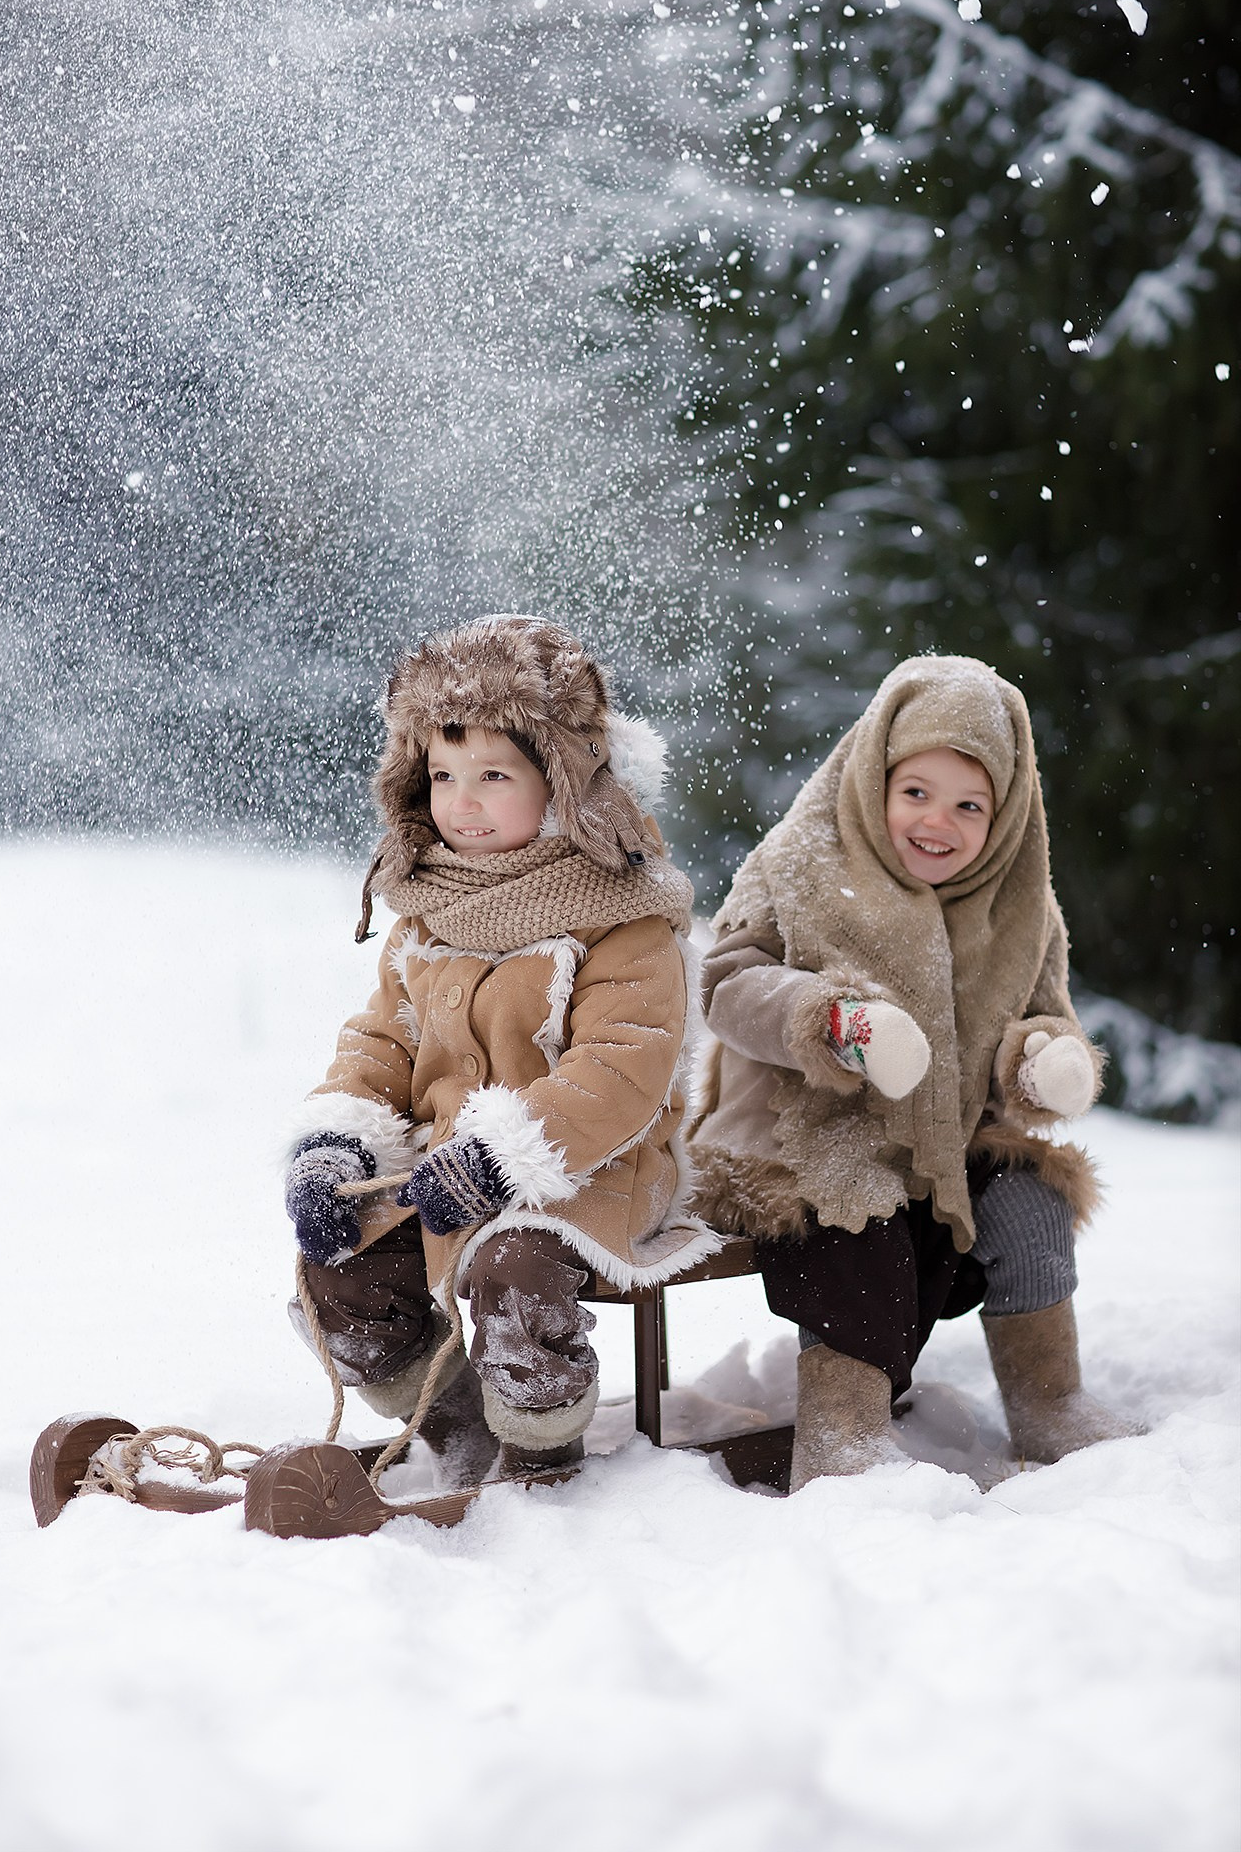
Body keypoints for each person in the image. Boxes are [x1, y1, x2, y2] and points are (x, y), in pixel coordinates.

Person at [281, 616, 717, 1500]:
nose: (461, 802)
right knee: (342, 1274)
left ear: (561, 783)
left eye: (492, 777)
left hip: (591, 1165)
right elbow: (382, 1040)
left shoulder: (621, 913)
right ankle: (456, 1421)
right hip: (446, 1166)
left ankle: (543, 1448)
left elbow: (621, 1071)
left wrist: (503, 1155)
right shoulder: (430, 911)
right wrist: (341, 1138)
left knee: (515, 1266)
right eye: (442, 776)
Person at [690, 654, 1141, 1486]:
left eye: (971, 805)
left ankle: (1050, 1402)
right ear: (874, 778)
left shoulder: (1019, 903)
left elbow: (1040, 1013)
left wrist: (1040, 1062)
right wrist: (832, 1021)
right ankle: (844, 1430)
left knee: (1028, 1192)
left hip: (944, 1143)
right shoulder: (800, 860)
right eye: (917, 793)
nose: (941, 821)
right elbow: (725, 984)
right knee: (851, 1205)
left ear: (1005, 816)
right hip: (800, 1136)